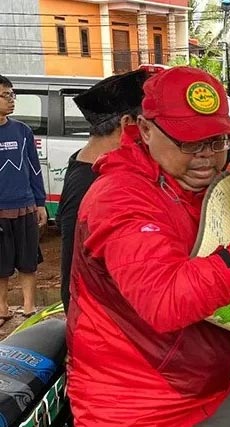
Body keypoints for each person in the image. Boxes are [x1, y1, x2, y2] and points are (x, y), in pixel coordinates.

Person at [66, 66, 230, 426]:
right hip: (136, 406)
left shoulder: (200, 189)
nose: (206, 156)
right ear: (145, 129)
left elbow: (221, 289)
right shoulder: (120, 197)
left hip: (208, 393)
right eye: (188, 142)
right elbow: (166, 301)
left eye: (216, 141)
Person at [56, 69, 150, 312]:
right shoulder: (90, 183)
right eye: (149, 124)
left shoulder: (89, 161)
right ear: (128, 124)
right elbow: (73, 269)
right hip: (102, 322)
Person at [0, 74, 45, 325]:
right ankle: (3, 308)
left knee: (28, 261)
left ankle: (29, 308)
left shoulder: (23, 131)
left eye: (12, 94)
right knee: (1, 264)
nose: (11, 100)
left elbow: (34, 168)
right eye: (5, 95)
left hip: (25, 207)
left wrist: (39, 203)